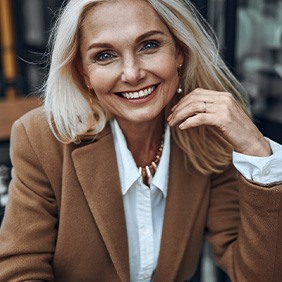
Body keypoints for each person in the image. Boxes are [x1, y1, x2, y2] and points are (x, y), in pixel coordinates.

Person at [0, 0, 281, 281]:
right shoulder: (41, 138)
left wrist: (258, 154)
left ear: (180, 52)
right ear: (83, 72)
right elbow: (20, 271)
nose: (132, 73)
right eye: (105, 56)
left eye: (148, 46)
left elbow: (258, 274)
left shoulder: (206, 134)